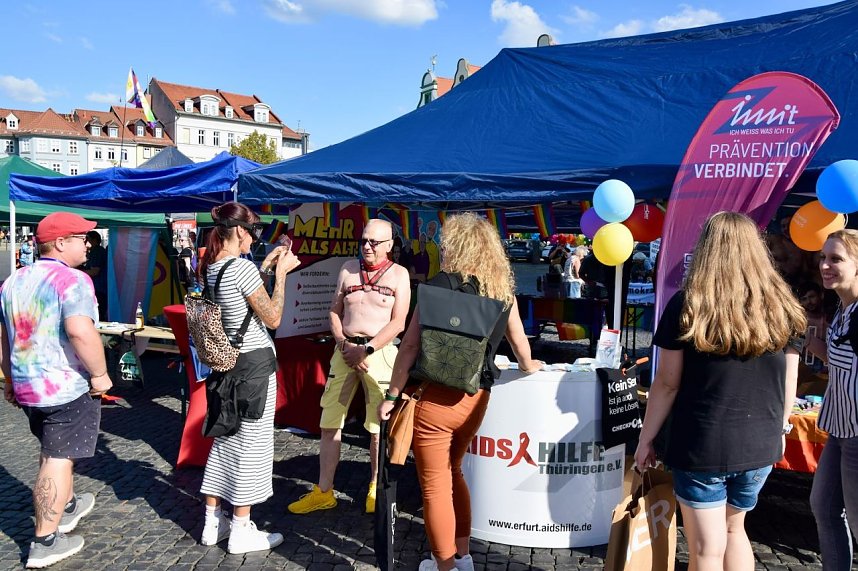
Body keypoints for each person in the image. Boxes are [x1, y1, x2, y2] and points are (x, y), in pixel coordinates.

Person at [634, 211, 805, 571]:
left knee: (706, 549)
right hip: (761, 442)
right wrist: (780, 425)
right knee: (735, 529)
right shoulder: (780, 306)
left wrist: (645, 440)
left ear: (706, 249)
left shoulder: (688, 305)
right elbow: (789, 380)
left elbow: (666, 383)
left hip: (702, 444)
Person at [378, 213, 543, 571]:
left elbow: (408, 348)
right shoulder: (501, 291)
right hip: (475, 398)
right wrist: (532, 367)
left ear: (457, 248)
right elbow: (522, 351)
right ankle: (463, 556)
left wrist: (391, 396)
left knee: (434, 486)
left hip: (435, 397)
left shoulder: (436, 286)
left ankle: (445, 566)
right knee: (454, 472)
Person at [1, 212, 113, 568]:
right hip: (66, 384)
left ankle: (65, 505)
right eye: (83, 238)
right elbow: (80, 331)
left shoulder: (12, 281)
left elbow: (4, 337)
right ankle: (45, 541)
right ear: (61, 242)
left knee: (53, 450)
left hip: (28, 384)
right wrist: (100, 374)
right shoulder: (73, 280)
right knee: (57, 457)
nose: (88, 244)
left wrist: (8, 378)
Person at [197, 202, 301, 554]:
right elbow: (271, 318)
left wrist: (265, 269)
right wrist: (283, 275)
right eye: (254, 231)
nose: (256, 238)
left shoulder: (214, 267)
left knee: (226, 438)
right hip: (254, 367)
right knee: (252, 447)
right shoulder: (241, 269)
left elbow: (241, 302)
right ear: (240, 231)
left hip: (229, 364)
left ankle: (213, 523)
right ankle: (241, 528)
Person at [288, 219, 411, 515]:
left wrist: (367, 349)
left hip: (378, 354)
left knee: (377, 425)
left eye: (374, 242)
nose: (367, 247)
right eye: (364, 240)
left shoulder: (399, 274)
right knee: (330, 420)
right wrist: (343, 343)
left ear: (389, 246)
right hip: (344, 353)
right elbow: (334, 310)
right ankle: (324, 490)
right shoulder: (347, 269)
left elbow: (399, 322)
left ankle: (374, 488)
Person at [810, 229, 858, 569]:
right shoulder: (843, 309)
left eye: (836, 259)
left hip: (857, 434)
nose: (826, 265)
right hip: (837, 429)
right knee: (823, 506)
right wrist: (820, 351)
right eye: (824, 258)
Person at [81, 231, 108, 322]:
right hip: (100, 288)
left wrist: (77, 272)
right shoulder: (99, 251)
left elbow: (94, 271)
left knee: (98, 315)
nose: (84, 243)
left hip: (98, 288)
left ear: (93, 240)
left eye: (87, 240)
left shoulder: (96, 251)